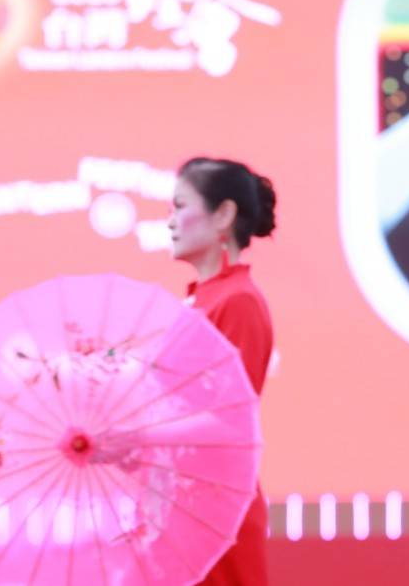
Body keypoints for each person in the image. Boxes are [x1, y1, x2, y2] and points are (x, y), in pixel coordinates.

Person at [169, 157, 277, 585]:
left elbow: (228, 421)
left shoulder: (238, 301)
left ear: (224, 215)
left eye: (180, 206)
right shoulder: (197, 302)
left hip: (216, 505)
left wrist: (135, 435)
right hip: (178, 501)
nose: (170, 221)